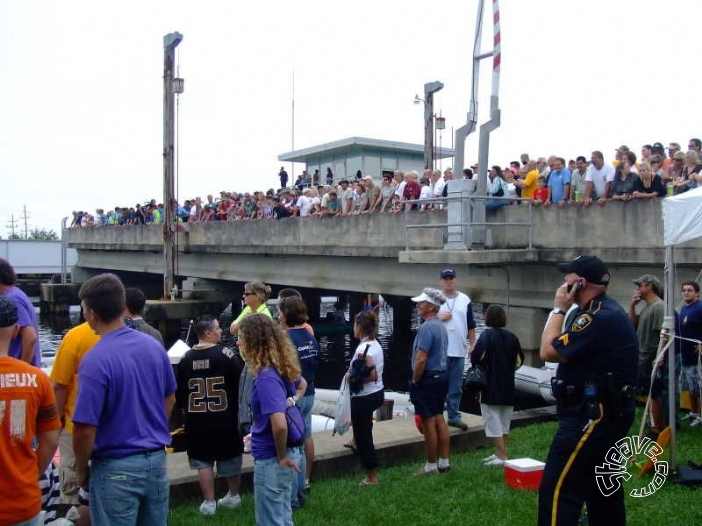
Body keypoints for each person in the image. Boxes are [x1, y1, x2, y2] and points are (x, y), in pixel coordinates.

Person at [538, 256, 638, 526]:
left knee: (558, 490)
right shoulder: (603, 310)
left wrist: (558, 310)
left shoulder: (595, 317)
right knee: (603, 488)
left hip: (591, 416)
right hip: (606, 412)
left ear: (580, 282)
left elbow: (548, 351)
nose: (563, 283)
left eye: (567, 277)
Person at [72, 274, 177, 526]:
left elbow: (85, 427)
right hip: (155, 461)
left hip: (115, 465)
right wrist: (152, 428)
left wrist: (81, 470)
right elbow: (170, 398)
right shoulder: (153, 347)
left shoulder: (95, 360)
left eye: (84, 309)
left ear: (91, 314)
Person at [0, 297, 61, 526]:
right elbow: (50, 439)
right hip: (24, 501)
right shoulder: (37, 379)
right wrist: (31, 475)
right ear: (16, 330)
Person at [176, 315, 244, 516]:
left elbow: (180, 394)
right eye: (217, 328)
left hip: (197, 421)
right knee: (231, 457)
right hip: (225, 419)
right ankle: (233, 495)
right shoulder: (226, 355)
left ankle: (209, 502)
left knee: (202, 461)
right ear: (207, 333)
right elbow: (239, 385)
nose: (220, 331)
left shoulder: (186, 359)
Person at [239, 314, 303, 526]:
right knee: (283, 517)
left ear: (252, 341)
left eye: (241, 337)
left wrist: (281, 455)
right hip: (280, 455)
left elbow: (280, 424)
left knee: (270, 521)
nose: (238, 342)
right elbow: (302, 384)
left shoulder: (266, 377)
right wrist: (292, 401)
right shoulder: (281, 366)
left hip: (272, 459)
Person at [50, 320, 100, 525]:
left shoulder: (75, 336)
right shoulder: (130, 336)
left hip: (75, 425)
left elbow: (59, 385)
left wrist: (55, 421)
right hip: (116, 431)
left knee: (73, 491)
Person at [472, 304, 523, 466]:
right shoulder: (512, 337)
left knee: (492, 420)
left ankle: (501, 456)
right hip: (508, 384)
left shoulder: (486, 336)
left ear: (488, 318)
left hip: (490, 386)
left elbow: (476, 358)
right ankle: (500, 452)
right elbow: (519, 361)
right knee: (504, 421)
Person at [278, 296, 319, 497]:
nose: (278, 316)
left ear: (287, 315)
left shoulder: (287, 339)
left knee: (293, 445)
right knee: (306, 437)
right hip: (310, 390)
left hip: (294, 395)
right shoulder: (309, 335)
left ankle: (293, 492)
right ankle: (304, 482)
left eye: (279, 312)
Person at [410, 287, 450, 475]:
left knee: (428, 422)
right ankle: (444, 461)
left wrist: (415, 378)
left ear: (431, 307)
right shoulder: (441, 326)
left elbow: (421, 358)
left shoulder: (427, 327)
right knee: (439, 418)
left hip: (428, 379)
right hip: (442, 376)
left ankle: (431, 465)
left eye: (422, 302)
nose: (418, 305)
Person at [346, 310, 384, 485]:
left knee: (364, 436)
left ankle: (371, 475)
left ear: (360, 328)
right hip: (377, 393)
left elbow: (372, 374)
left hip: (365, 396)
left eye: (354, 325)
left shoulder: (363, 349)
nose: (353, 328)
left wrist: (350, 377)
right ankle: (355, 441)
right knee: (364, 428)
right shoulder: (375, 343)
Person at [436, 268, 476, 431]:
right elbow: (425, 319)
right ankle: (437, 416)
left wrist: (472, 344)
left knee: (456, 386)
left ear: (455, 280)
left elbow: (471, 324)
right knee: (439, 385)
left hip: (459, 350)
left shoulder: (465, 299)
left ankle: (453, 416)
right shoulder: (435, 299)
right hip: (440, 351)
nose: (448, 281)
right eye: (445, 278)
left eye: (451, 278)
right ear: (441, 281)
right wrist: (439, 317)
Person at [628, 274, 665, 436]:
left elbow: (664, 334)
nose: (637, 289)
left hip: (651, 356)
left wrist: (660, 355)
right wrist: (632, 306)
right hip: (642, 356)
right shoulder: (647, 306)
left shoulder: (658, 306)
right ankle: (654, 423)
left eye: (640, 286)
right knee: (648, 392)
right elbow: (632, 323)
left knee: (653, 393)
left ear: (649, 286)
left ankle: (656, 429)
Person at [0, 258, 41, 366]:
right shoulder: (15, 294)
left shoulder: (12, 299)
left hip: (19, 376)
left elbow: (30, 337)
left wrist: (22, 369)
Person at [676, 281, 702, 425]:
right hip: (685, 355)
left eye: (690, 290)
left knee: (698, 388)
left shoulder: (700, 308)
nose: (686, 292)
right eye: (684, 290)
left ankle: (700, 415)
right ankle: (693, 412)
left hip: (697, 357)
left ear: (697, 293)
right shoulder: (684, 309)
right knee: (690, 388)